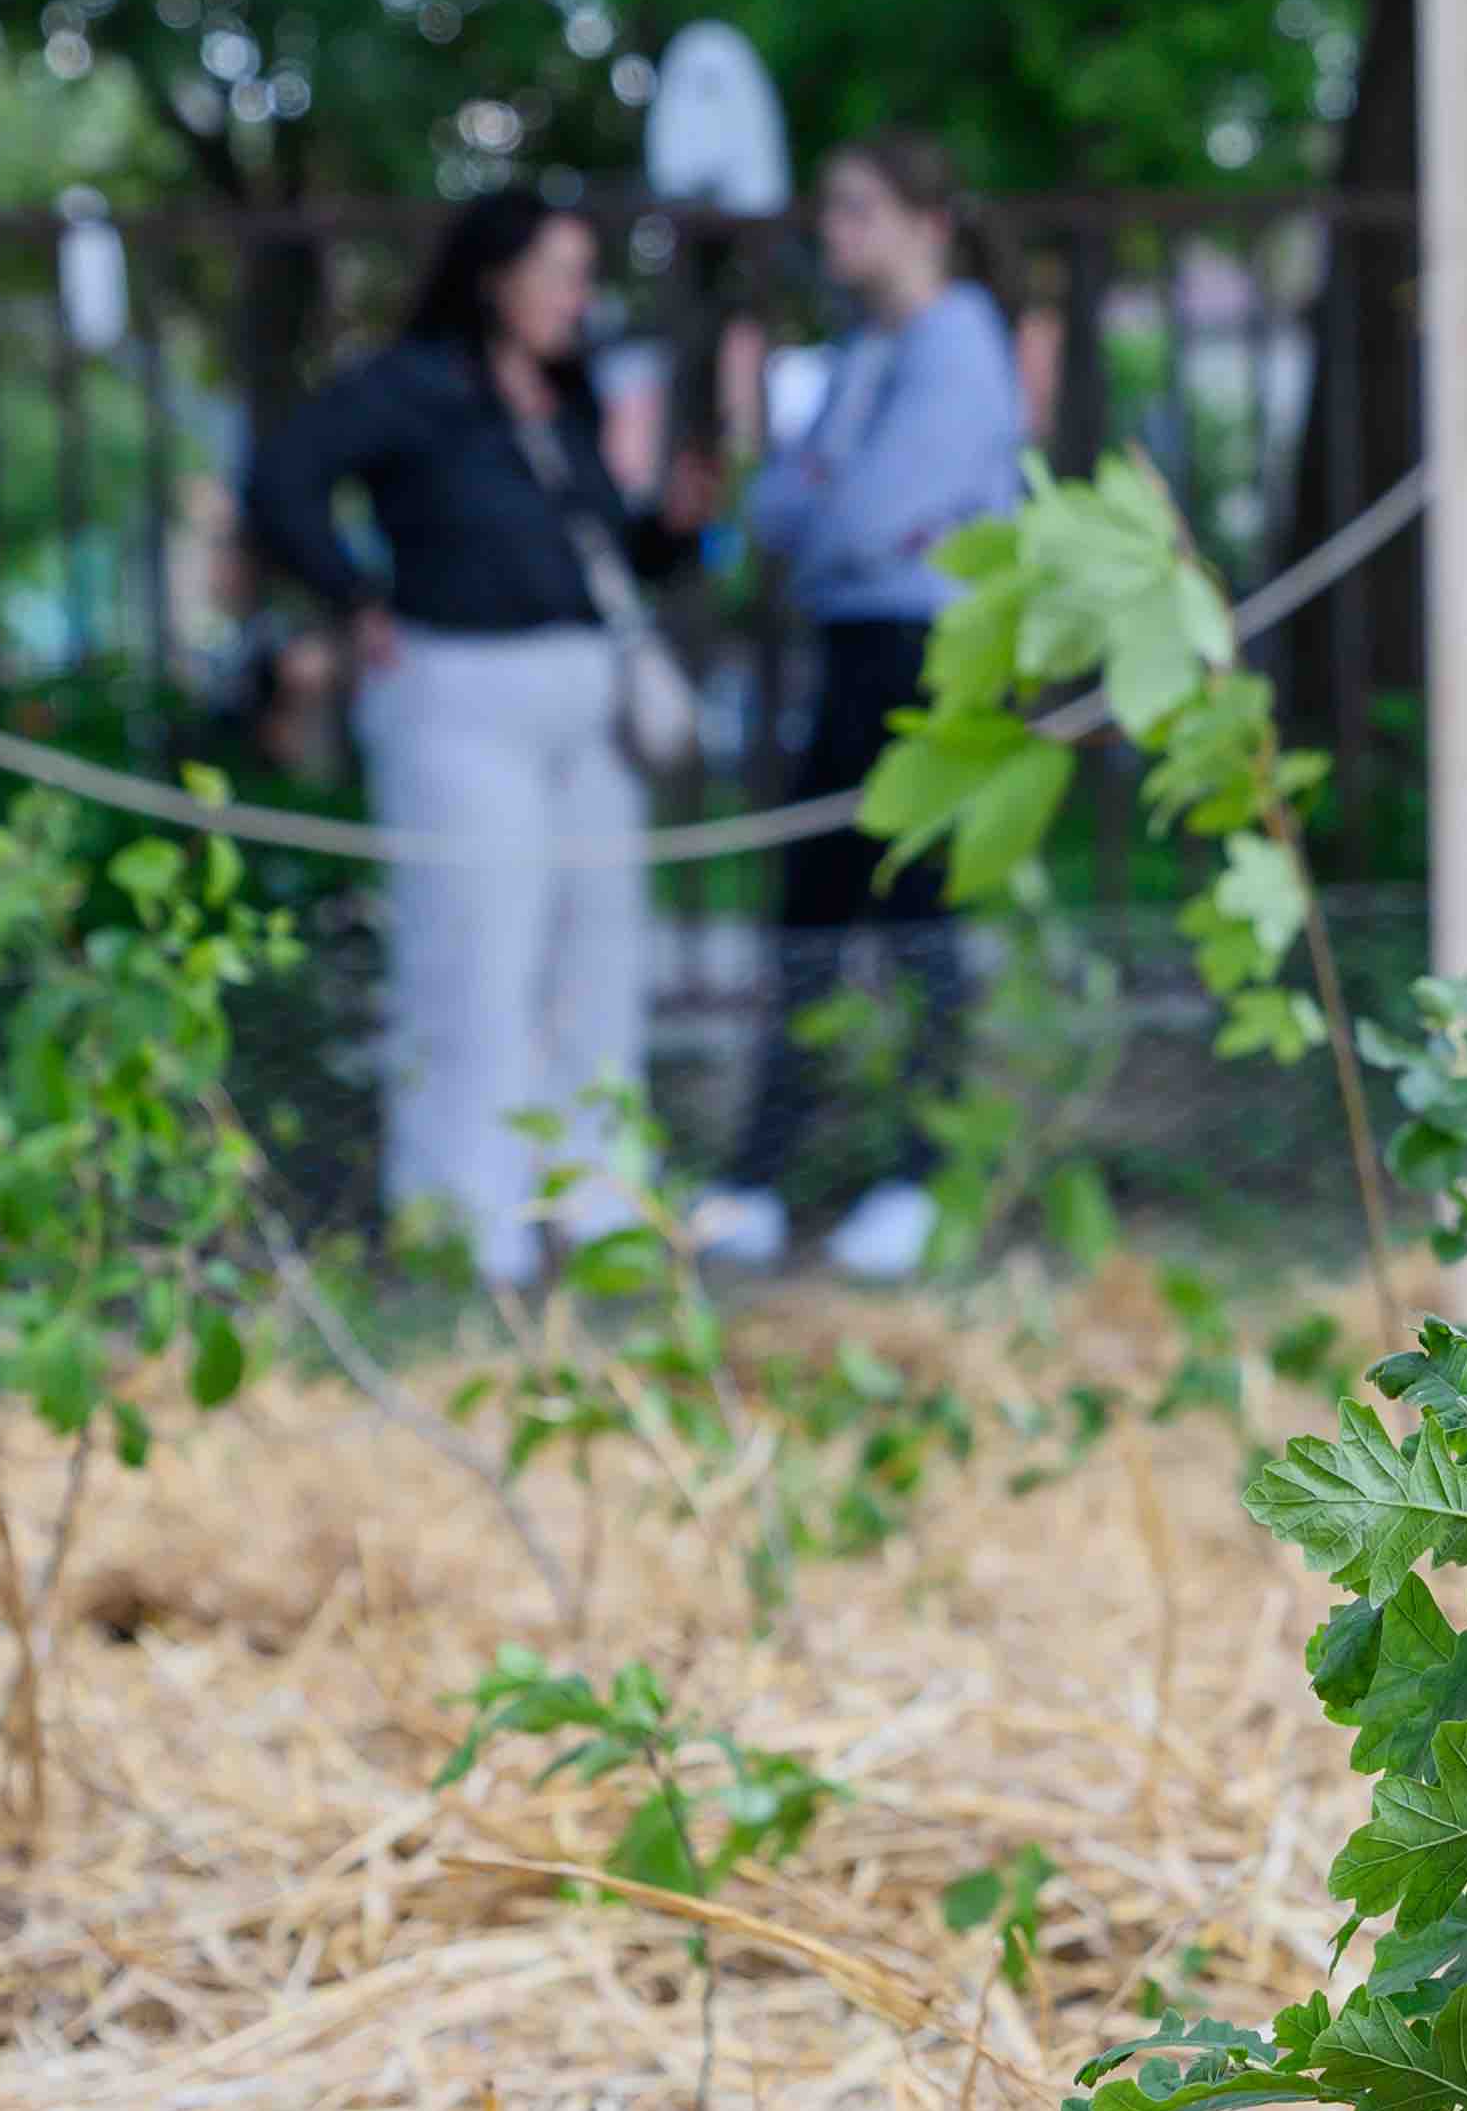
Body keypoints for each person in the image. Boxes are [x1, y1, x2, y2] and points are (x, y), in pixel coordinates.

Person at [249, 196, 695, 1286]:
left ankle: (596, 1208)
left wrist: (674, 525)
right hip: (460, 697)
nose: (575, 297)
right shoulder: (408, 386)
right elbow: (281, 483)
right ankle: (461, 1221)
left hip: (584, 705)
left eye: (585, 275)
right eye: (558, 271)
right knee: (472, 968)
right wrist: (354, 596)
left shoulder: (568, 399)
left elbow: (608, 557)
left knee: (597, 965)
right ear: (494, 275)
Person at [682, 135, 1025, 1282]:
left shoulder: (958, 344)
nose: (837, 235)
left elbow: (852, 514)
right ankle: (763, 1175)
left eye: (861, 211)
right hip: (854, 646)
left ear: (929, 222)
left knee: (917, 913)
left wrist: (834, 498)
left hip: (923, 653)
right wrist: (829, 498)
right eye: (831, 212)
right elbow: (781, 508)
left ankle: (924, 1175)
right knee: (814, 917)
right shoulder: (862, 355)